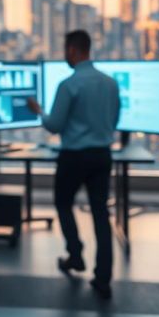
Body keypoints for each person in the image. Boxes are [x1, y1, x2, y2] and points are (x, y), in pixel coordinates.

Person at [26, 30, 120, 299]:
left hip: (75, 156)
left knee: (63, 203)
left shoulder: (69, 85)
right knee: (101, 214)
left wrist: (39, 111)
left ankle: (75, 254)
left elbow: (54, 125)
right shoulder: (110, 83)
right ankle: (103, 278)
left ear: (72, 50)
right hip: (102, 155)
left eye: (65, 50)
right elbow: (113, 121)